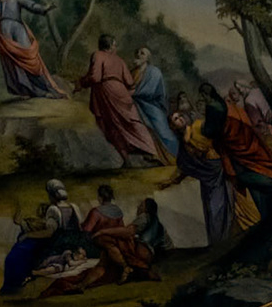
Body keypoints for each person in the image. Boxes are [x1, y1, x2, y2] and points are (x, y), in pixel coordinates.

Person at [201, 81, 272, 225]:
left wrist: (207, 130)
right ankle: (270, 214)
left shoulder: (215, 107)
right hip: (240, 147)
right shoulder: (225, 106)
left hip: (240, 149)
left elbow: (212, 130)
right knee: (255, 184)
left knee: (246, 177)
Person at [77, 35, 167, 166]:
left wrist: (81, 82)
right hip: (121, 92)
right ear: (110, 46)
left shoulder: (97, 55)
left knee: (110, 126)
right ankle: (151, 151)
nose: (115, 47)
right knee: (133, 122)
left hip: (106, 91)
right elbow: (129, 82)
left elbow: (95, 77)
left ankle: (127, 158)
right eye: (114, 45)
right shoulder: (119, 60)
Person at [165, 94, 235, 244]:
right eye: (175, 119)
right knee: (212, 209)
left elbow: (215, 140)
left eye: (179, 116)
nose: (180, 119)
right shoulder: (183, 142)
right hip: (208, 177)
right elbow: (185, 164)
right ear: (173, 126)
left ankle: (225, 237)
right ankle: (217, 241)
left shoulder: (198, 126)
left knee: (226, 204)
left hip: (218, 168)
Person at [2, 180, 81, 293]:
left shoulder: (54, 209)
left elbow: (49, 233)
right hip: (70, 242)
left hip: (56, 245)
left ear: (51, 194)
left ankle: (14, 284)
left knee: (18, 253)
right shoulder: (73, 207)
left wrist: (28, 234)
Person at [131, 46, 179, 156]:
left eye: (142, 53)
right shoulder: (133, 72)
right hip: (136, 103)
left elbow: (149, 91)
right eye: (137, 52)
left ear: (148, 58)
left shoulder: (154, 71)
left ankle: (174, 155)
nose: (138, 54)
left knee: (163, 133)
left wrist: (131, 94)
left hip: (152, 105)